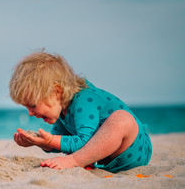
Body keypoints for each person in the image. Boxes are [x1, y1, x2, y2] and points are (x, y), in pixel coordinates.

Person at [9, 50, 152, 173]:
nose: (30, 113)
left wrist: (54, 143)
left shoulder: (84, 100)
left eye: (33, 105)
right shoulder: (62, 109)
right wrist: (40, 142)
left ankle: (76, 161)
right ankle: (81, 161)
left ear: (56, 92)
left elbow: (84, 142)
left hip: (134, 151)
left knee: (122, 119)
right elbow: (62, 142)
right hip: (108, 161)